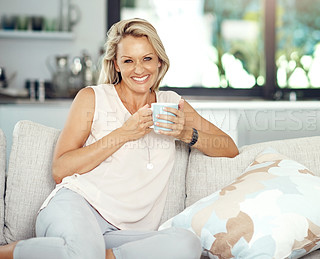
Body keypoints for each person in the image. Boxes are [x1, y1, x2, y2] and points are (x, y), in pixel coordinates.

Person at [0, 18, 239, 259]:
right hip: (77, 206)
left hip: (124, 232)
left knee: (188, 244)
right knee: (84, 250)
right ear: (116, 64)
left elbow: (229, 147)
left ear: (159, 61)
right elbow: (60, 169)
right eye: (128, 61)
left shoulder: (172, 104)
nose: (139, 69)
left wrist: (186, 133)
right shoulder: (93, 98)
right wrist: (125, 133)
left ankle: (92, 254)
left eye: (147, 58)